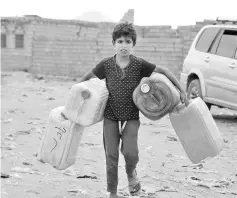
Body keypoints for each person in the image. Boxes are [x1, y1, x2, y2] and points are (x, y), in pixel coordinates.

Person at [78, 21, 188, 198]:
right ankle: (112, 192)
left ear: (133, 44)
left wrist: (181, 90)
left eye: (128, 42)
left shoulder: (138, 64)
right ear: (114, 43)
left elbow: (164, 70)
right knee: (111, 156)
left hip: (131, 117)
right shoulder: (106, 65)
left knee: (130, 153)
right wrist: (75, 93)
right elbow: (87, 77)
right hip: (110, 116)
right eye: (120, 41)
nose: (124, 45)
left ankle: (131, 173)